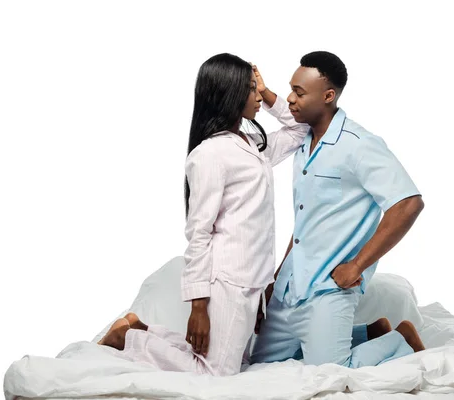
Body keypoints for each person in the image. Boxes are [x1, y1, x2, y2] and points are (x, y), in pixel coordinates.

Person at [98, 53, 308, 376]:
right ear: (230, 94)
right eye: (251, 89)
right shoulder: (209, 154)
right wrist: (198, 306)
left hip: (253, 280)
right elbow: (199, 232)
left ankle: (140, 329)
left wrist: (268, 95)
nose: (256, 95)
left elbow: (298, 128)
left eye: (256, 89)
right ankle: (130, 338)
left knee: (231, 363)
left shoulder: (252, 144)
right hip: (228, 281)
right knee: (214, 374)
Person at [251, 51, 425, 368]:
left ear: (328, 96)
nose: (290, 99)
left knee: (331, 372)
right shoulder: (304, 141)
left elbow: (409, 203)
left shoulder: (359, 144)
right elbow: (307, 223)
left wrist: (356, 266)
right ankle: (369, 333)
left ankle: (399, 338)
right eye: (291, 89)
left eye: (299, 92)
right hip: (289, 288)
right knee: (255, 364)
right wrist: (276, 279)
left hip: (327, 290)